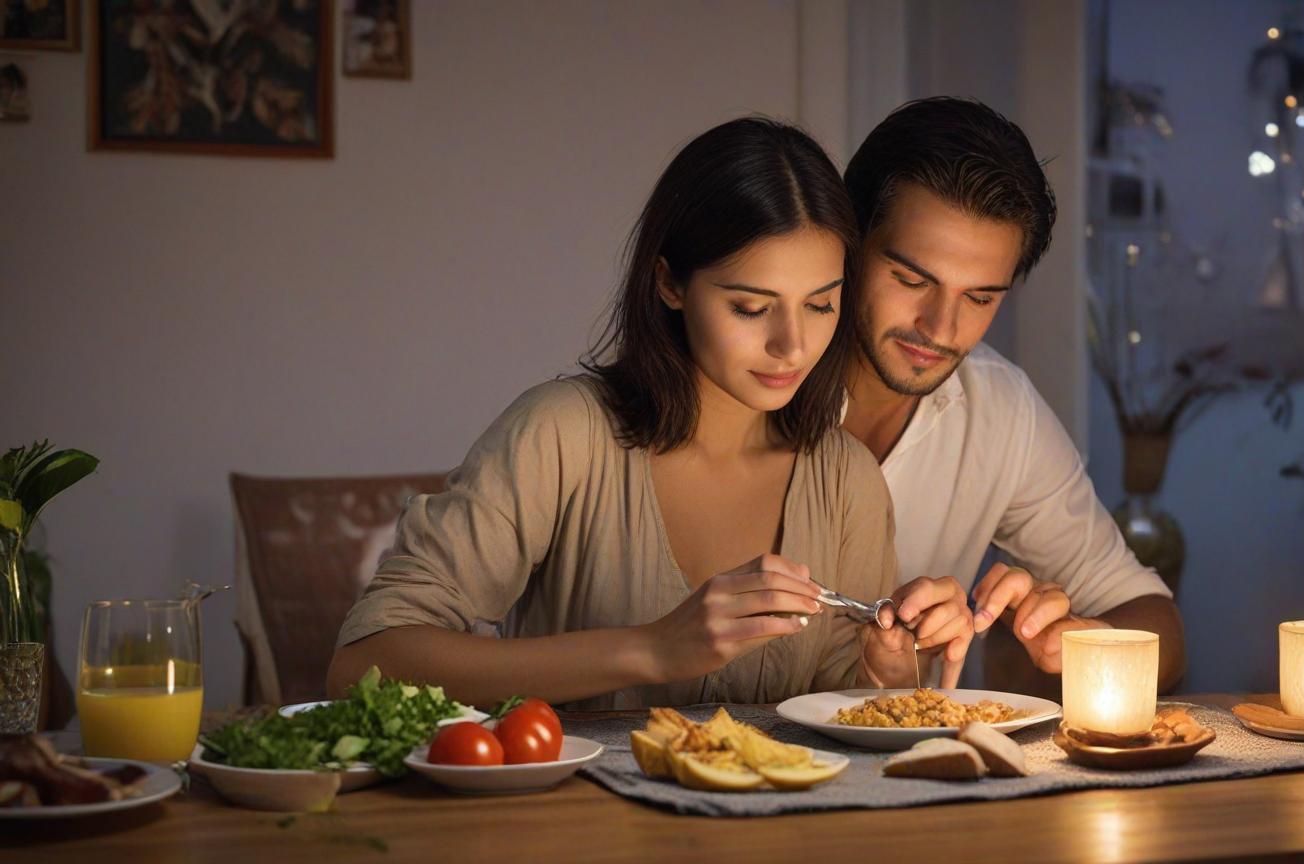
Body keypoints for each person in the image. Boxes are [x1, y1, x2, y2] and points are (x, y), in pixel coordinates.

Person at [328, 117, 969, 709]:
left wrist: (885, 672)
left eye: (821, 305)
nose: (792, 345)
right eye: (751, 307)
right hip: (568, 828)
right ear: (669, 283)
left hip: (779, 834)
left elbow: (836, 718)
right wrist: (652, 649)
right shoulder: (562, 435)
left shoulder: (846, 480)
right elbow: (364, 665)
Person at [840, 98, 1187, 696]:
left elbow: (1155, 621)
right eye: (912, 279)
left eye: (980, 298)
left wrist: (1082, 640)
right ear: (847, 241)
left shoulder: (999, 410)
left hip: (913, 778)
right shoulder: (756, 377)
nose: (941, 328)